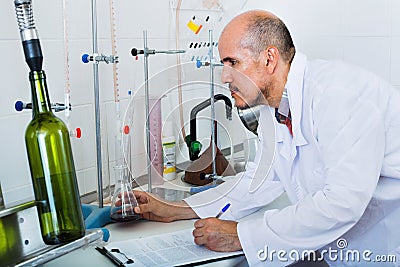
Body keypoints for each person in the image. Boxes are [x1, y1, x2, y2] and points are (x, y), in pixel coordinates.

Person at [132, 10, 400, 266]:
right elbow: (258, 181)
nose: (225, 77)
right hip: (340, 249)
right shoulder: (276, 109)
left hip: (384, 246)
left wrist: (241, 235)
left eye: (232, 62)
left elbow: (342, 203)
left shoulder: (338, 95)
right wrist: (175, 208)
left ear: (269, 59)